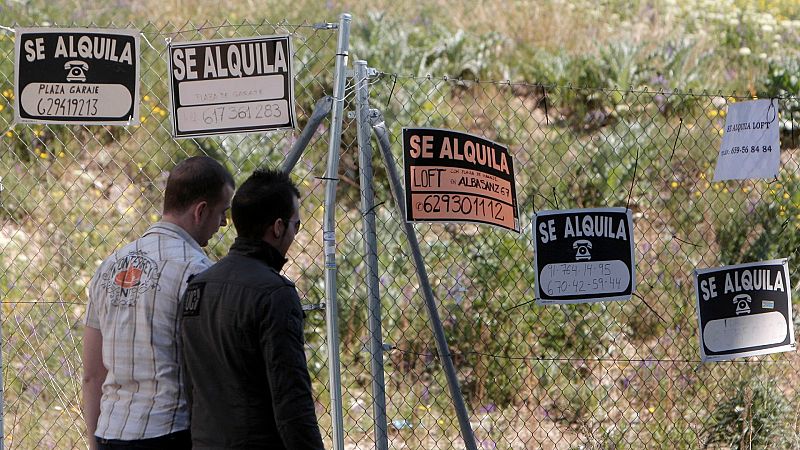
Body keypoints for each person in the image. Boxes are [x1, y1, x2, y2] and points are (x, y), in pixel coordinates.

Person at [81, 156, 235, 450]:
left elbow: (92, 374)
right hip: (168, 431)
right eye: (222, 213)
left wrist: (95, 442)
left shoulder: (109, 267)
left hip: (110, 431)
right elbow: (210, 372)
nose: (224, 223)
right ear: (201, 211)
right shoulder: (197, 271)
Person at [180, 168, 324, 449]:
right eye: (296, 224)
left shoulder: (198, 286)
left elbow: (191, 384)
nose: (295, 233)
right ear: (278, 227)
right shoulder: (275, 294)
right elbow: (291, 398)